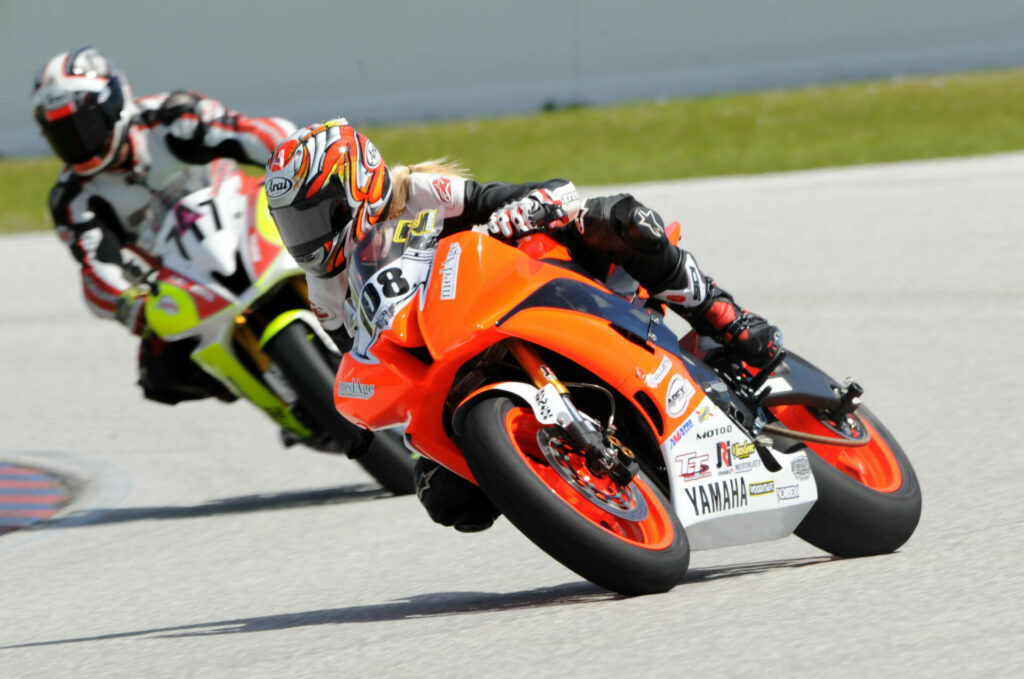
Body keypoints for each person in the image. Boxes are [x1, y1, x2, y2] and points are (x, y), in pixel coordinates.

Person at [265, 119, 783, 532]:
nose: (306, 240)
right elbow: (367, 360)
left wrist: (521, 212)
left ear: (355, 184)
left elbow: (541, 193)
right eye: (294, 226)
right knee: (446, 499)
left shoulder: (421, 193)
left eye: (316, 217)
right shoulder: (327, 293)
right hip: (451, 356)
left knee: (619, 219)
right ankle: (566, 486)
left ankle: (724, 317)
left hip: (532, 286)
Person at [31, 47, 296, 404]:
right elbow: (96, 270)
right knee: (159, 374)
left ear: (113, 104)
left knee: (337, 225)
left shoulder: (170, 116)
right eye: (64, 135)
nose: (79, 143)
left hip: (251, 221)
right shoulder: (72, 197)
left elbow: (253, 134)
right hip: (186, 276)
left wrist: (296, 160)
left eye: (84, 127)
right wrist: (133, 306)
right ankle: (271, 388)